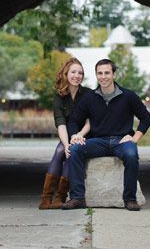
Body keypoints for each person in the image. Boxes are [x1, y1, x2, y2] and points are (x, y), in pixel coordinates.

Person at [62, 58, 150, 211]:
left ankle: (130, 199)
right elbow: (73, 120)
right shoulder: (89, 98)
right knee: (75, 150)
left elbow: (146, 118)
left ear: (114, 75)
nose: (103, 77)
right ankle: (77, 198)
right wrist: (74, 136)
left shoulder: (128, 96)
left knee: (131, 154)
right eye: (100, 73)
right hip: (98, 141)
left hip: (121, 141)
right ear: (96, 75)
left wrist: (134, 138)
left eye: (107, 73)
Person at [38, 57, 92, 209]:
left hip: (85, 134)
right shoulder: (59, 96)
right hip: (67, 135)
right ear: (66, 74)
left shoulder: (88, 94)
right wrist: (67, 143)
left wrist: (80, 135)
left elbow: (90, 121)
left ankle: (59, 197)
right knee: (61, 149)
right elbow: (60, 123)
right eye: (73, 72)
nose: (77, 75)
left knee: (72, 152)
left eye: (80, 73)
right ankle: (46, 199)